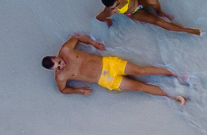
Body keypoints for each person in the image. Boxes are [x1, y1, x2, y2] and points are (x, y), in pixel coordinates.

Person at [43, 34, 186, 105]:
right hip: (105, 79)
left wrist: (94, 43)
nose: (62, 66)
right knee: (139, 87)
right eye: (58, 68)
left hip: (109, 64)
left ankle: (176, 74)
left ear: (56, 56)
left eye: (59, 62)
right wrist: (79, 91)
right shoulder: (61, 77)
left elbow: (76, 37)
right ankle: (172, 96)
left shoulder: (66, 50)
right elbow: (62, 90)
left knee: (140, 71)